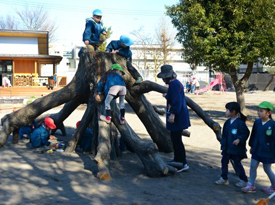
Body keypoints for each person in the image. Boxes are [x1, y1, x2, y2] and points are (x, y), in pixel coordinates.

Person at [157, 64, 191, 173]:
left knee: (177, 141)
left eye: (163, 77)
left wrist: (173, 114)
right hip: (178, 115)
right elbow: (174, 98)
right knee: (175, 140)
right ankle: (177, 159)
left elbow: (176, 101)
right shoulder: (174, 84)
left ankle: (183, 163)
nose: (163, 79)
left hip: (178, 116)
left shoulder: (174, 85)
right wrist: (166, 96)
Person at [242, 101, 275, 194]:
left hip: (268, 151)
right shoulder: (257, 122)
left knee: (267, 169)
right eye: (258, 111)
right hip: (257, 149)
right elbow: (253, 135)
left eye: (261, 111)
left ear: (268, 113)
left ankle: (274, 186)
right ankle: (251, 185)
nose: (259, 113)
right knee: (252, 166)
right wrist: (252, 145)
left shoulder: (273, 125)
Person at [215, 102, 250, 187]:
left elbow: (245, 133)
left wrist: (239, 139)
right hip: (227, 148)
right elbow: (224, 135)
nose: (225, 112)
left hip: (236, 149)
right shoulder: (227, 122)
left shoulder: (240, 123)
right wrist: (223, 144)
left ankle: (243, 180)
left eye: (227, 110)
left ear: (233, 112)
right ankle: (224, 178)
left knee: (237, 163)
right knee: (224, 162)